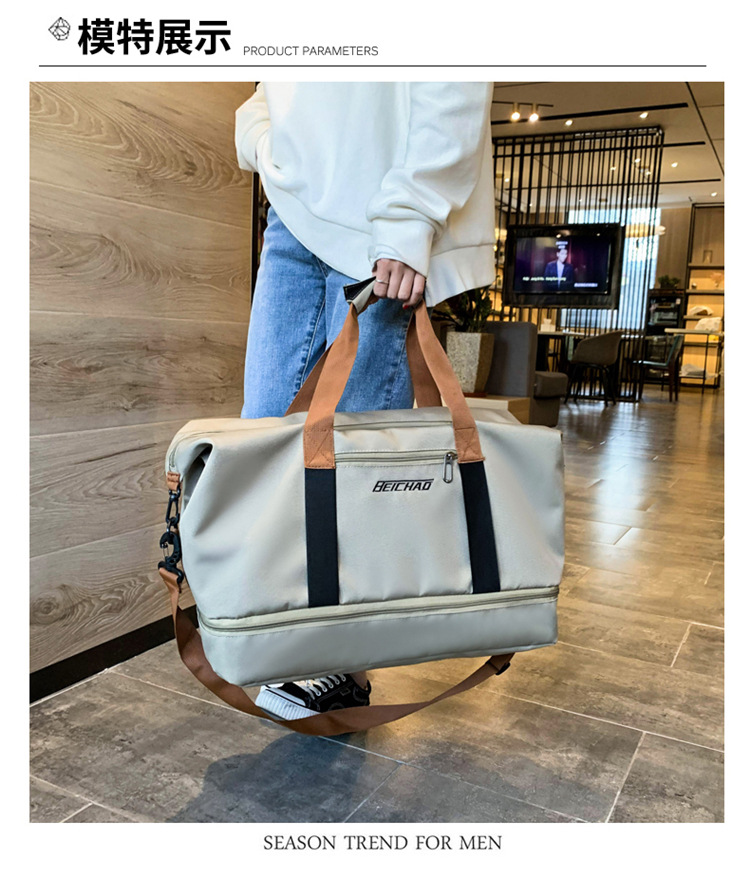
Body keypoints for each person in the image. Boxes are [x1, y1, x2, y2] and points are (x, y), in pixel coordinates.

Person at [234, 82, 496, 721]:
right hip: (293, 216)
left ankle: (345, 660)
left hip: (386, 212)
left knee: (359, 463)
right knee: (264, 439)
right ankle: (287, 630)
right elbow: (268, 89)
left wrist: (413, 211)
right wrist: (268, 146)